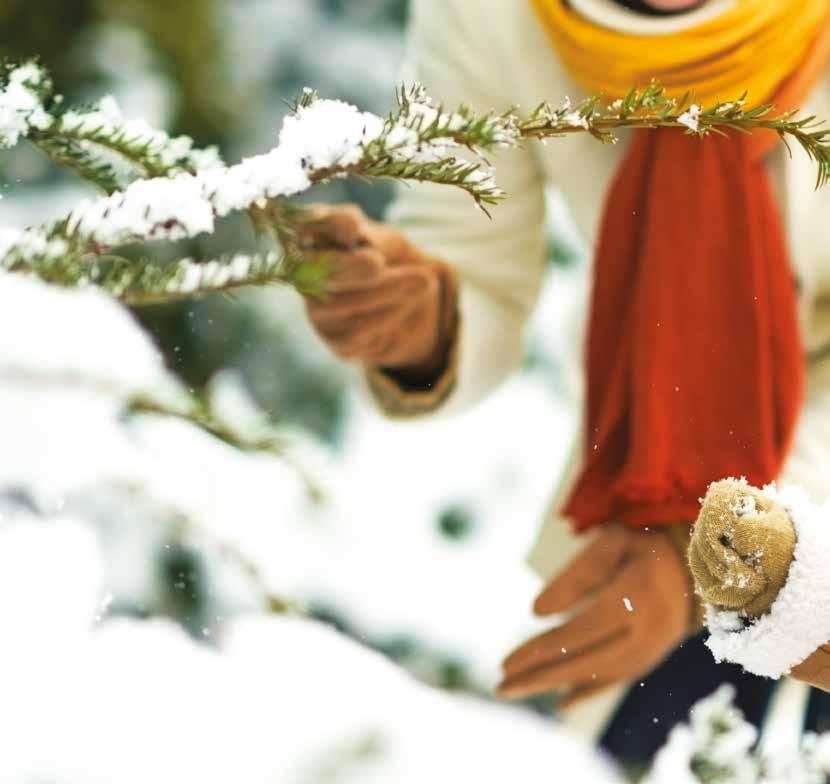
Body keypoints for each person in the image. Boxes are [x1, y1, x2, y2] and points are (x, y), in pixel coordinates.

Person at [298, 0, 830, 763]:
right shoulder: (485, 15)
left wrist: (707, 547)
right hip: (666, 442)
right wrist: (426, 320)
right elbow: (472, 263)